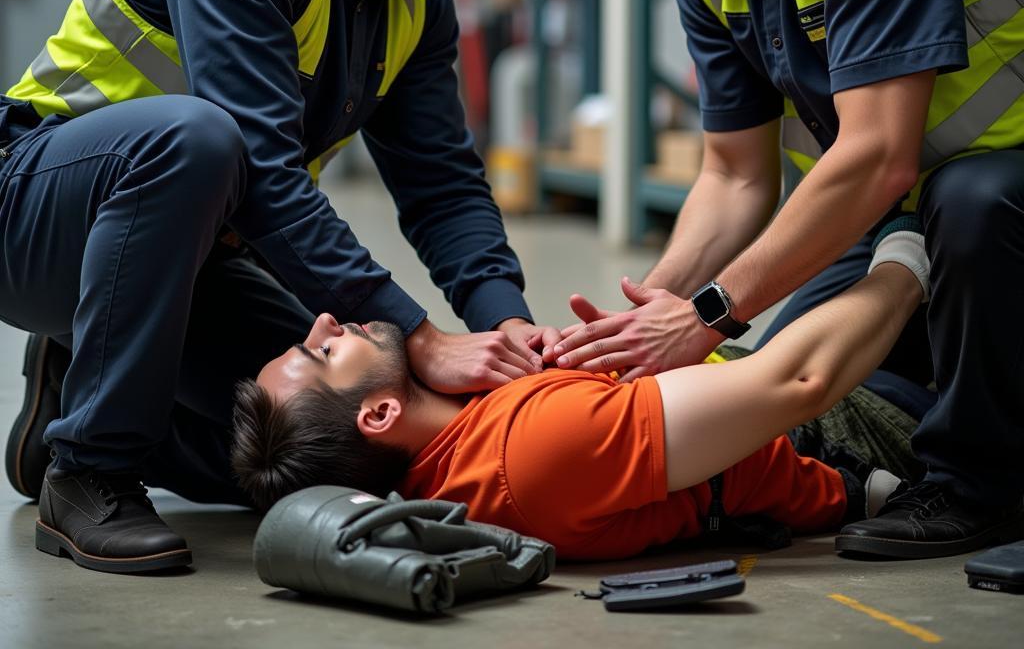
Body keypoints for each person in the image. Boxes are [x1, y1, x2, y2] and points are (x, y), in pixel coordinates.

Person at [0, 0, 557, 575]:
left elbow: (442, 184)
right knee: (196, 139)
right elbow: (257, 166)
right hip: (35, 209)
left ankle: (74, 400)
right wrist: (417, 331)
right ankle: (89, 471)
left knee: (330, 432)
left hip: (183, 252)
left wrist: (509, 331)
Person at [529, 0, 1024, 560]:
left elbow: (877, 158)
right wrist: (653, 320)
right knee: (771, 392)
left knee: (975, 201)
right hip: (909, 224)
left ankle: (978, 489)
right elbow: (734, 177)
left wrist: (714, 311)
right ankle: (944, 428)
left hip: (991, 198)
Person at [231, 229, 928, 560]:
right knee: (948, 209)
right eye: (321, 351)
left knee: (848, 214)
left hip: (778, 382)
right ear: (379, 413)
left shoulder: (461, 441)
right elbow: (797, 382)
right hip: (859, 425)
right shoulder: (534, 447)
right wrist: (911, 256)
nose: (324, 320)